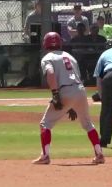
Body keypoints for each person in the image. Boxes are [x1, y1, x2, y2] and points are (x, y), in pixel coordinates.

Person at [32, 32, 105, 165]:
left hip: (64, 90)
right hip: (80, 90)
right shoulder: (70, 56)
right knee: (88, 124)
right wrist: (71, 106)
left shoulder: (47, 57)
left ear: (45, 43)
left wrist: (55, 95)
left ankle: (45, 156)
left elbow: (50, 73)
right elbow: (76, 76)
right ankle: (99, 154)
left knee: (45, 124)